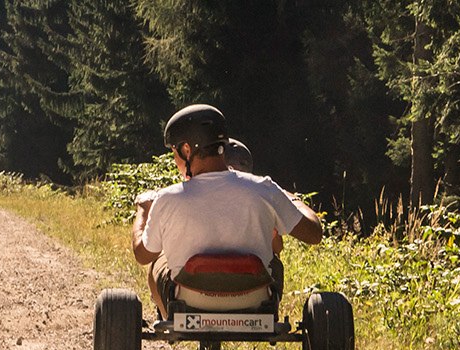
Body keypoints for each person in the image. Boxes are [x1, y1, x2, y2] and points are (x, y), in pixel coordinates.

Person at [131, 105, 324, 317]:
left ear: (187, 150)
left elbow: (142, 254)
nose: (175, 160)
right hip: (254, 300)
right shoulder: (264, 189)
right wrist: (288, 197)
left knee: (156, 263)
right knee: (274, 259)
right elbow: (314, 234)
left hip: (189, 301)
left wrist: (143, 209)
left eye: (174, 152)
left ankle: (169, 320)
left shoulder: (168, 198)